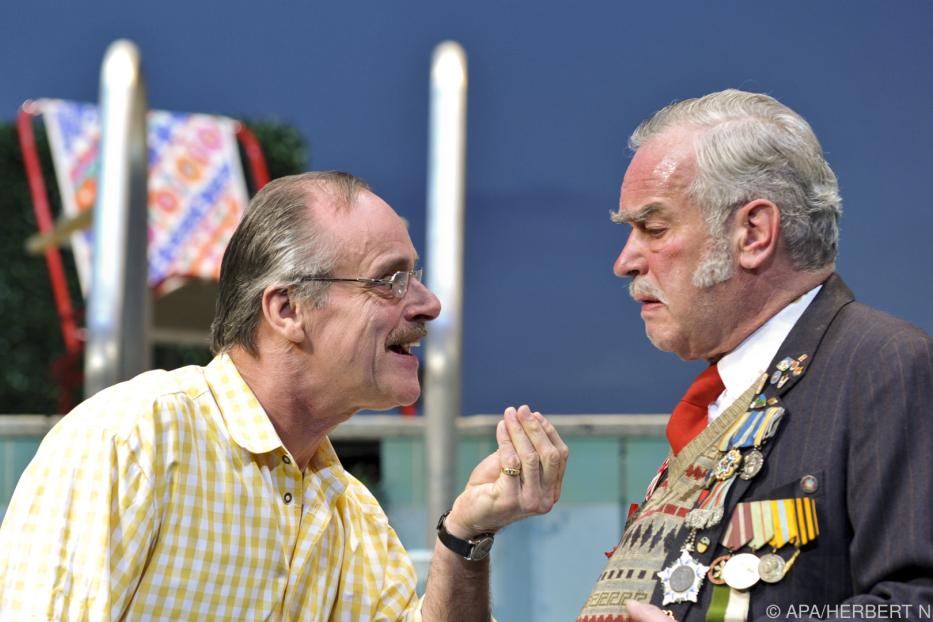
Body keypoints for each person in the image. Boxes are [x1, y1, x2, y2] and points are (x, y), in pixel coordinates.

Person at [0, 171, 569, 621]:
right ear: (287, 310)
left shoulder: (350, 512)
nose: (427, 303)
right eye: (390, 279)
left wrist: (464, 536)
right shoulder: (131, 439)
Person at [577, 90, 933, 622]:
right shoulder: (730, 396)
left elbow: (917, 603)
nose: (625, 261)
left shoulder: (881, 364)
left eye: (653, 228)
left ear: (753, 232)